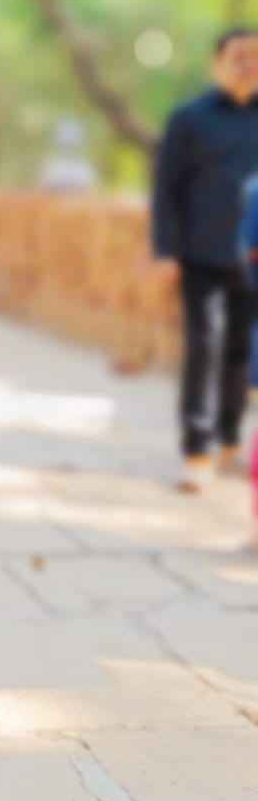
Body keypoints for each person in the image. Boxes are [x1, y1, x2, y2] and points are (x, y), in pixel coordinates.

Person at [151, 28, 258, 493]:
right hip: (201, 255)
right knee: (203, 346)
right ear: (217, 64)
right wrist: (165, 251)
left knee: (242, 352)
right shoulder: (189, 119)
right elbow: (166, 189)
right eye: (238, 56)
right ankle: (196, 449)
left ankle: (229, 438)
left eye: (255, 57)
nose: (248, 65)